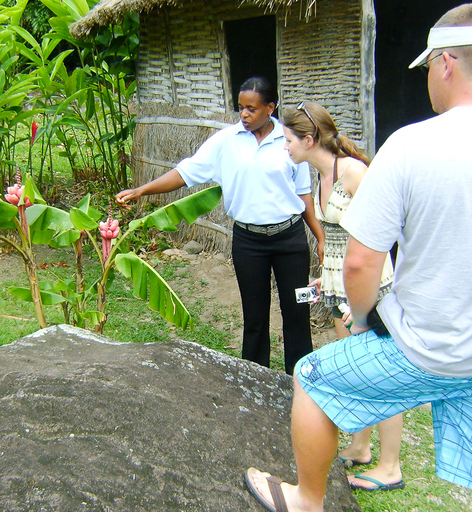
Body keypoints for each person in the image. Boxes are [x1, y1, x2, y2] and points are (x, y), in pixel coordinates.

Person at [245, 4, 472, 512]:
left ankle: (306, 500)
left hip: (423, 348)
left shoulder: (411, 145)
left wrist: (362, 322)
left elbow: (361, 262)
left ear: (445, 63)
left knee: (313, 377)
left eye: (428, 66)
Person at [116, 76, 325, 374]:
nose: (244, 114)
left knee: (298, 309)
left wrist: (320, 238)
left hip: (290, 240)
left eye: (252, 108)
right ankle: (255, 379)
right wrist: (142, 190)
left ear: (270, 107)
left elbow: (304, 196)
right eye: (240, 107)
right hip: (248, 242)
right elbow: (185, 173)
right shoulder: (225, 142)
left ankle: (301, 381)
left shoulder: (289, 142)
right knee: (254, 317)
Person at [282, 102, 404, 492]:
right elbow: (335, 241)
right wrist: (327, 280)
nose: (284, 146)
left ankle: (391, 466)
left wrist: (361, 299)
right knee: (356, 370)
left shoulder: (354, 172)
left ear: (308, 139)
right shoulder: (319, 175)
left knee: (383, 376)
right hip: (338, 287)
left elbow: (380, 237)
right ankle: (361, 446)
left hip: (368, 290)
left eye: (287, 140)